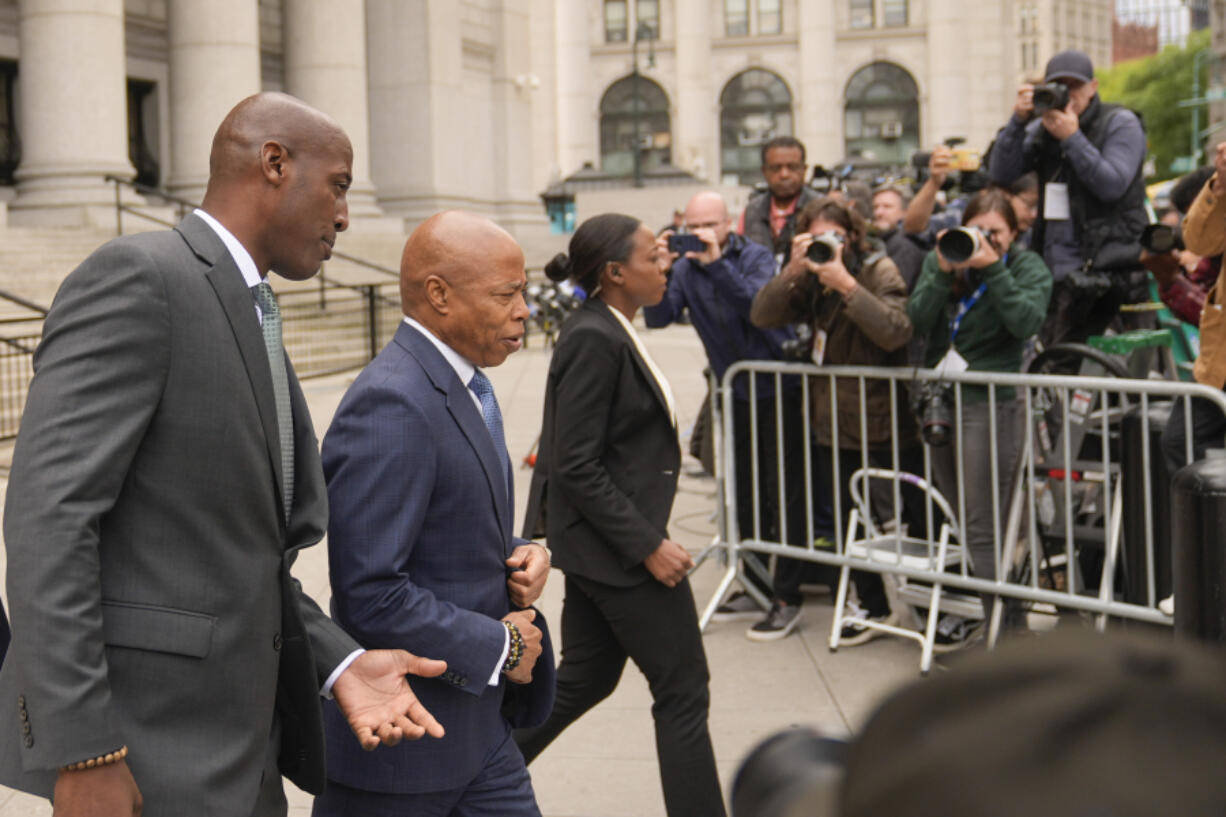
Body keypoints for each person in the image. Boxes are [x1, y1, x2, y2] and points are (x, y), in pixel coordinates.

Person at [0, 93, 446, 817]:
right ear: (274, 163)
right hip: (147, 757)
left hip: (243, 757)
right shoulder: (140, 277)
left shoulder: (253, 307)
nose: (344, 217)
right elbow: (49, 522)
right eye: (338, 185)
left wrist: (340, 660)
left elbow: (244, 556)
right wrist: (83, 747)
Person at [314, 211, 554, 816]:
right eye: (506, 294)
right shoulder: (392, 401)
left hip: (480, 738)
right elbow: (370, 593)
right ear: (439, 295)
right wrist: (503, 647)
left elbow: (446, 520)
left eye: (522, 291)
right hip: (405, 749)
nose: (524, 309)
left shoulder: (464, 383)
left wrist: (524, 548)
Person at [516, 213, 727, 817]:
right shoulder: (592, 337)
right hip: (618, 555)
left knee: (586, 677)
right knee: (683, 691)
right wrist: (647, 546)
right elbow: (574, 463)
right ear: (614, 273)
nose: (666, 265)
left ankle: (474, 781)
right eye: (653, 257)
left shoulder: (608, 326)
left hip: (599, 548)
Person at [645, 191, 824, 640]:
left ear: (729, 223)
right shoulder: (686, 267)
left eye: (710, 223)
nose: (702, 232)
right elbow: (658, 317)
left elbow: (761, 309)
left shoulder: (755, 256)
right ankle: (754, 582)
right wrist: (660, 271)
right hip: (734, 393)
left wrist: (717, 262)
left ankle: (787, 596)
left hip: (779, 390)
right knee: (743, 492)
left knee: (786, 493)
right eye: (694, 225)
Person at [751, 197, 924, 646]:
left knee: (913, 516)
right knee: (852, 521)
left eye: (836, 237)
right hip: (833, 424)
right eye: (818, 238)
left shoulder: (878, 271)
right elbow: (762, 316)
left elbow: (894, 330)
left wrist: (846, 285)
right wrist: (792, 269)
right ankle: (871, 604)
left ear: (853, 237)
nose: (828, 246)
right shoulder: (810, 278)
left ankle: (927, 603)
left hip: (885, 422)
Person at [906, 188, 1052, 647]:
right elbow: (917, 317)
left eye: (996, 233)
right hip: (940, 402)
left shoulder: (1026, 267)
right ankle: (1005, 624)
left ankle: (1004, 631)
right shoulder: (946, 260)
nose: (985, 240)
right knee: (966, 519)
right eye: (977, 231)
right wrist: (942, 269)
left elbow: (1025, 322)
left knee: (986, 521)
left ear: (1014, 233)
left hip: (992, 403)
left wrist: (993, 267)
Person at [988, 49, 1148, 346]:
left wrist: (1073, 139)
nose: (1066, 94)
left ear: (1093, 87)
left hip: (1109, 275)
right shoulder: (1042, 129)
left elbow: (1112, 185)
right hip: (1055, 274)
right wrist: (1016, 123)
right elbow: (1001, 174)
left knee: (1105, 375)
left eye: (1073, 86)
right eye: (1056, 85)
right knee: (1057, 367)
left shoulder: (1119, 123)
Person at [739, 136, 821, 264]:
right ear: (764, 171)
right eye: (776, 168)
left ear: (804, 169)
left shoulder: (821, 208)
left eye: (792, 167)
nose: (784, 174)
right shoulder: (752, 211)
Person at [871, 185, 929, 292]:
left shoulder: (903, 246)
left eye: (887, 207)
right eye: (875, 207)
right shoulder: (879, 241)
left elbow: (896, 292)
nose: (878, 213)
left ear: (905, 212)